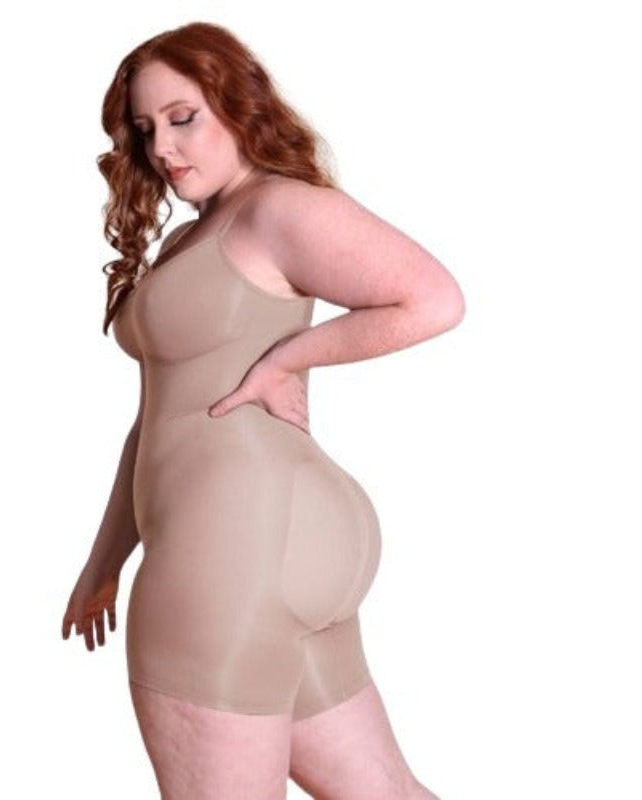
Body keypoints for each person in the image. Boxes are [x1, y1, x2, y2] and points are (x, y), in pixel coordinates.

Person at [62, 20, 464, 800]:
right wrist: (106, 559)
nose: (163, 146)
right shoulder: (192, 239)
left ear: (238, 102)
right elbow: (155, 419)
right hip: (279, 537)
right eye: (145, 129)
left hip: (231, 542)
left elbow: (433, 299)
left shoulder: (276, 208)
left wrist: (288, 357)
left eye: (183, 117)